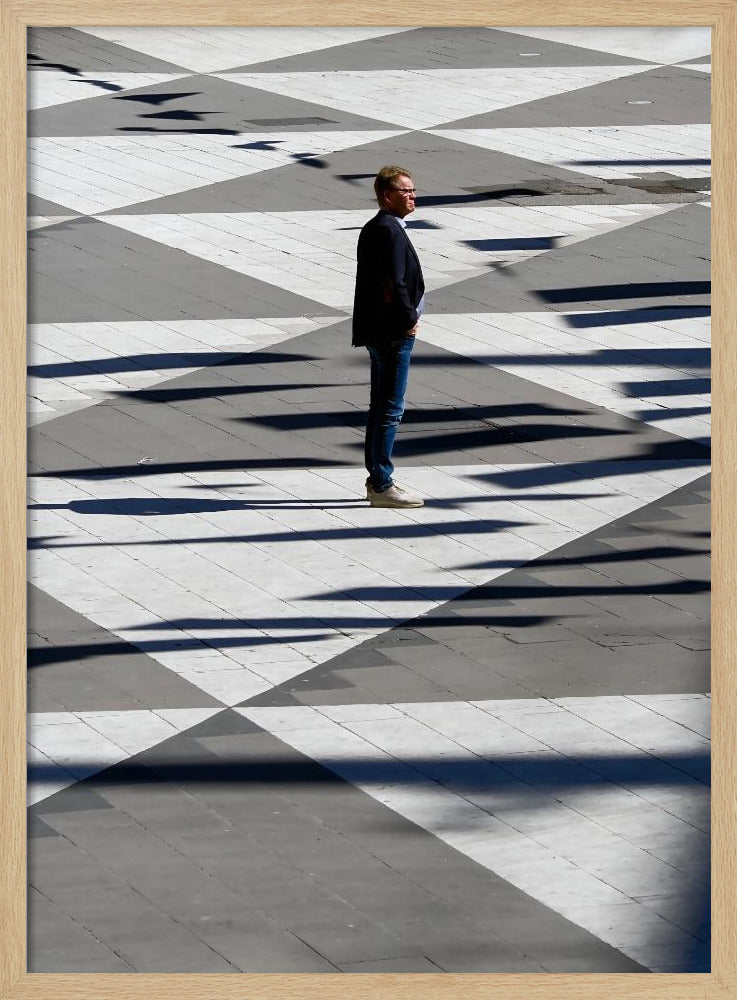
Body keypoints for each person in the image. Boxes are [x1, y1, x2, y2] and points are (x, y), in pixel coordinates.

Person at [352, 165, 426, 508]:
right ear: (386, 195)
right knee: (389, 410)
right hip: (393, 333)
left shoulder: (378, 228)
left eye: (413, 190)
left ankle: (377, 480)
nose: (412, 196)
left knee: (380, 407)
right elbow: (392, 284)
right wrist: (409, 317)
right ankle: (381, 483)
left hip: (380, 331)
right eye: (405, 191)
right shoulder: (387, 231)